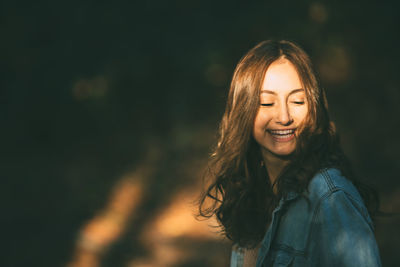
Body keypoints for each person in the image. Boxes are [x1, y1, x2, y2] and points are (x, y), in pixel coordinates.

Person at [198, 40, 382, 266]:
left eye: (297, 100)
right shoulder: (252, 194)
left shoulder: (331, 197)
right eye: (266, 103)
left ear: (313, 106)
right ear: (244, 111)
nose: (284, 117)